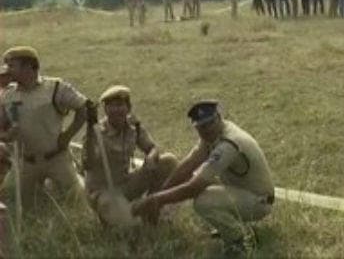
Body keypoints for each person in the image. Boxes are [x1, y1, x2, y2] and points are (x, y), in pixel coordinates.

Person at [131, 100, 274, 257]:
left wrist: (156, 200)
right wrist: (161, 192)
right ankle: (234, 227)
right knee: (197, 180)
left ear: (219, 117)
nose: (207, 130)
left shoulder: (229, 143)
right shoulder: (214, 135)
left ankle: (240, 240)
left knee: (203, 201)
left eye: (210, 123)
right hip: (241, 190)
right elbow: (188, 165)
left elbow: (193, 188)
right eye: (201, 127)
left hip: (259, 200)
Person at [0, 46, 88, 207]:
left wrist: (68, 136)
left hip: (57, 158)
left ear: (28, 66)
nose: (7, 70)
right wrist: (6, 136)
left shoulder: (55, 88)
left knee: (76, 201)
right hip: (26, 162)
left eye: (12, 66)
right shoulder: (7, 95)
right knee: (16, 202)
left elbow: (84, 107)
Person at [82, 86, 178, 226]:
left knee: (168, 161)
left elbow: (153, 147)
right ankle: (114, 215)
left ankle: (152, 208)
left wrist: (151, 157)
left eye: (120, 105)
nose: (116, 110)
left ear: (128, 108)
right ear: (105, 110)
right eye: (112, 106)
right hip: (103, 191)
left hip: (125, 183)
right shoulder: (96, 132)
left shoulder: (133, 127)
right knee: (131, 226)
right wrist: (90, 131)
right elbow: (87, 163)